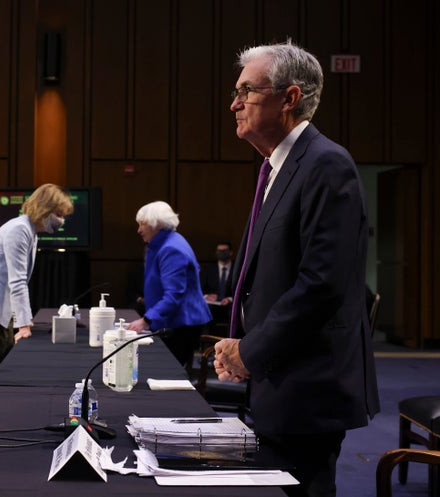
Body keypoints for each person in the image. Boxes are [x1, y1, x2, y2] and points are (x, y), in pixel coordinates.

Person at [213, 41, 380, 497]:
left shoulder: (326, 165)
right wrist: (240, 343)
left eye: (247, 90)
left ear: (289, 98)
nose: (235, 103)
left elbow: (320, 286)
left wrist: (251, 351)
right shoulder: (277, 167)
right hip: (280, 379)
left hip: (308, 387)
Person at [0, 184, 73, 394]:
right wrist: (23, 325)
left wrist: (23, 319)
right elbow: (17, 281)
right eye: (58, 214)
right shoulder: (19, 229)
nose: (61, 220)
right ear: (44, 208)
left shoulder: (30, 231)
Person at [126, 201, 212, 367]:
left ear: (156, 224)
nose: (139, 230)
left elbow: (174, 295)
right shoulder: (166, 243)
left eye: (142, 224)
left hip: (180, 324)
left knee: (167, 373)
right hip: (174, 321)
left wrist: (145, 321)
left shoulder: (170, 248)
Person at [201, 241, 235, 333]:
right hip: (212, 303)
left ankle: (230, 344)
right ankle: (206, 343)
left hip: (230, 304)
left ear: (231, 252)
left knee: (233, 312)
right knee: (206, 310)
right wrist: (206, 296)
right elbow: (200, 288)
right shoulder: (208, 269)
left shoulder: (237, 268)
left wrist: (230, 299)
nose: (221, 253)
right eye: (219, 251)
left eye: (224, 251)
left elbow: (241, 288)